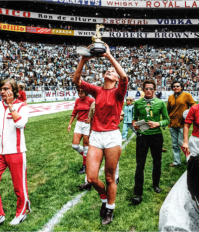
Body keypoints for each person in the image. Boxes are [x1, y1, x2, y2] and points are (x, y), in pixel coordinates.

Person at [73, 43, 128, 225]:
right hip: (96, 135)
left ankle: (109, 209)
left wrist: (109, 56)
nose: (109, 72)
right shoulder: (97, 90)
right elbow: (77, 80)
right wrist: (83, 59)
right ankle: (104, 199)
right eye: (107, 71)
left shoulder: (119, 92)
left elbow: (124, 76)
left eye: (112, 72)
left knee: (111, 177)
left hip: (112, 136)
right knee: (91, 177)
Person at [0, 78, 31, 231]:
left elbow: (20, 124)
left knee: (19, 187)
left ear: (14, 90)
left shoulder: (22, 106)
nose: (2, 92)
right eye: (1, 89)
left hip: (15, 151)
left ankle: (21, 212)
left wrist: (11, 106)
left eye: (5, 89)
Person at [132, 79, 170, 205]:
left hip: (156, 136)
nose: (148, 91)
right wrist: (135, 125)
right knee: (140, 165)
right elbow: (134, 119)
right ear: (143, 90)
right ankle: (138, 193)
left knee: (157, 162)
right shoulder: (137, 103)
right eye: (146, 88)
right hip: (142, 136)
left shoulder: (160, 103)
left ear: (154, 90)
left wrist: (157, 123)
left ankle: (156, 184)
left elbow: (166, 120)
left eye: (151, 88)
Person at [167, 80, 196, 167]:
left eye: (178, 86)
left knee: (182, 143)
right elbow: (168, 110)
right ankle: (177, 162)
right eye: (174, 86)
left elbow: (194, 105)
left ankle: (190, 159)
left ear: (182, 87)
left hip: (183, 124)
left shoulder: (187, 95)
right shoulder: (170, 97)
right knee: (174, 144)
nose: (176, 88)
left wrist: (189, 114)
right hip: (172, 124)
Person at [67, 88, 94, 174]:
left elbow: (95, 111)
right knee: (75, 145)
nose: (80, 93)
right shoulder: (77, 101)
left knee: (86, 146)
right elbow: (74, 112)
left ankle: (85, 166)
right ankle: (88, 157)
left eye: (82, 92)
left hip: (87, 124)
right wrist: (70, 124)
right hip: (79, 123)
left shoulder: (91, 100)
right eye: (79, 92)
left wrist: (90, 119)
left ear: (86, 92)